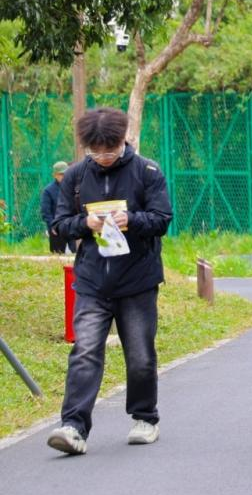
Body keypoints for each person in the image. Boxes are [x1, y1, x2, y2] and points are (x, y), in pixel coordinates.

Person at [46, 108, 172, 455]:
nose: (102, 156)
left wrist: (131, 219)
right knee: (85, 351)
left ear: (123, 140)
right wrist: (85, 224)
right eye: (95, 150)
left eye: (109, 149)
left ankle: (145, 418)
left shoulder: (147, 171)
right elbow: (59, 224)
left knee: (141, 354)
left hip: (137, 281)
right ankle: (73, 426)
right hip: (91, 281)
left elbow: (162, 219)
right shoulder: (75, 176)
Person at [41, 160, 72, 254]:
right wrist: (52, 227)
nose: (64, 176)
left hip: (71, 226)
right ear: (55, 175)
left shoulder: (72, 187)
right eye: (61, 174)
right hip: (56, 229)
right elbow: (46, 212)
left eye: (66, 174)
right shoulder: (48, 191)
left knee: (74, 255)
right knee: (58, 256)